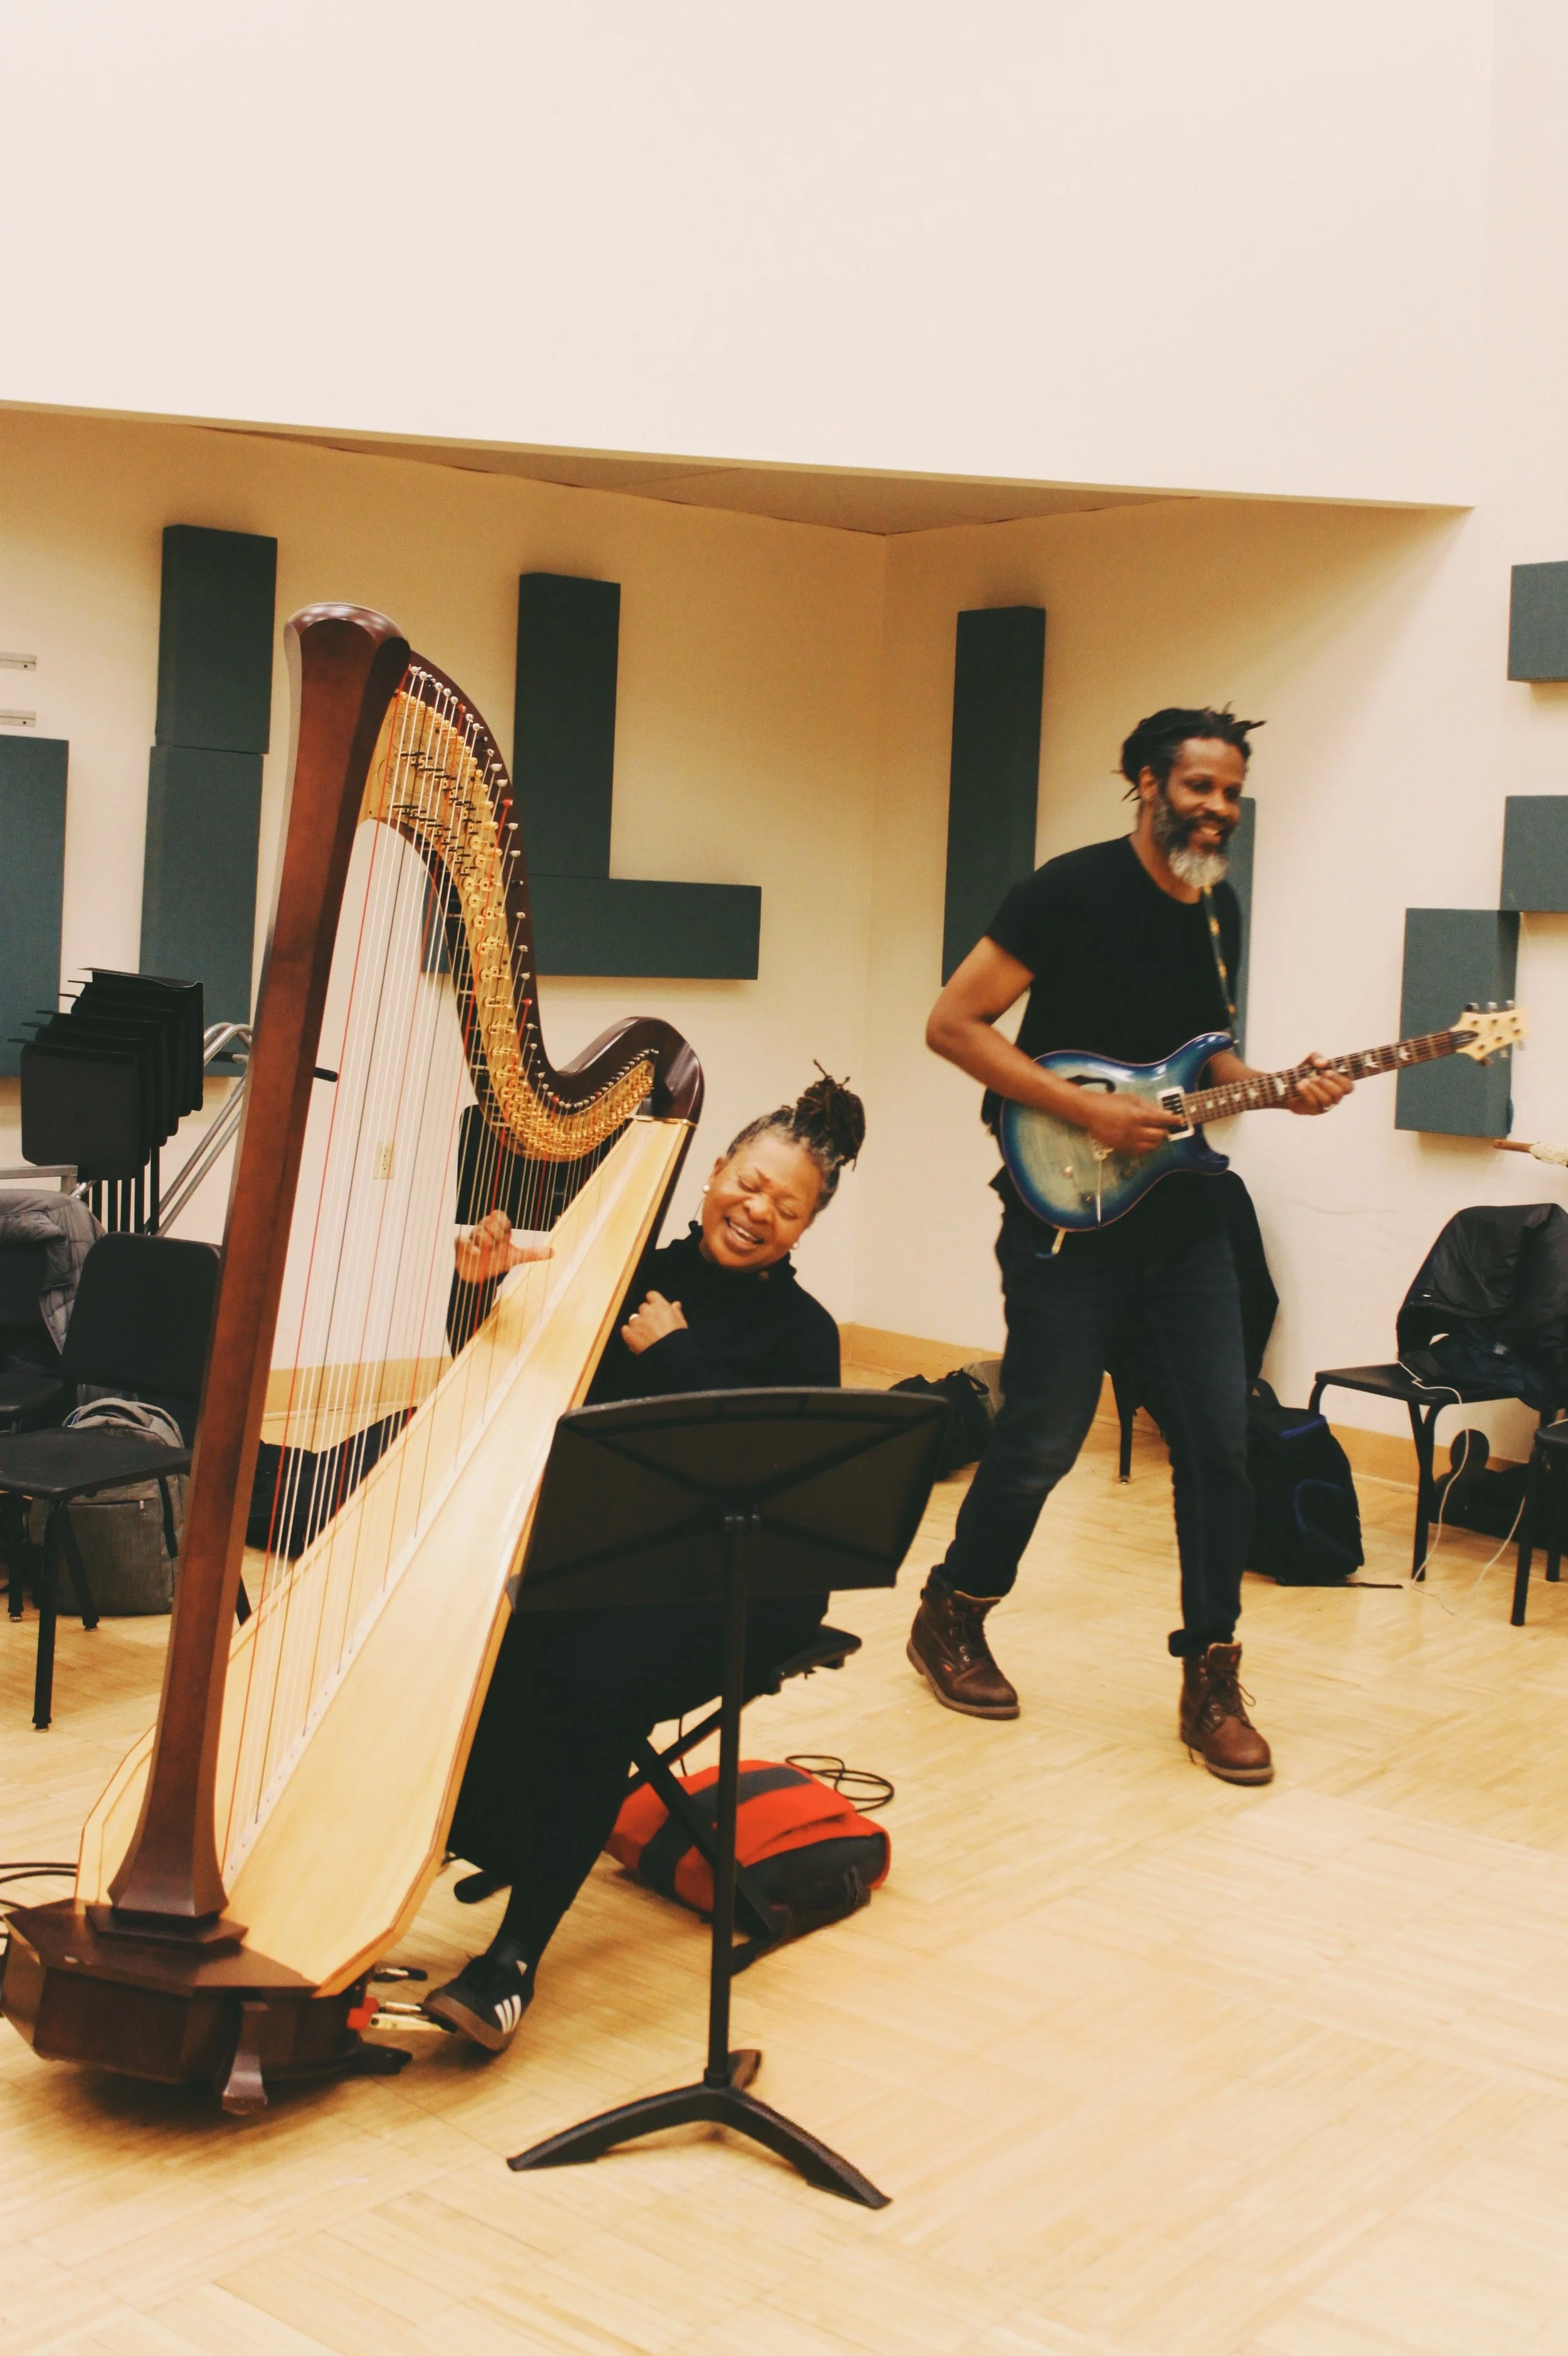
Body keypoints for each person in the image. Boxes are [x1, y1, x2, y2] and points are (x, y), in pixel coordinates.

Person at [908, 707, 1350, 1781]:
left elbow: (1207, 1063)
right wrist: (1090, 1112)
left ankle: (1211, 1675)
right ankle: (954, 1613)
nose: (1218, 809)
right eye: (1200, 786)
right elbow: (953, 1026)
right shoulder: (1065, 890)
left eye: (1232, 792)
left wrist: (1281, 1091)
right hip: (1062, 1213)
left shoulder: (1216, 906)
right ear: (1145, 784)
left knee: (1219, 1443)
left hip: (1185, 1222)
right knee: (1045, 1437)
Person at [426, 1071, 866, 2051]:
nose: (757, 1212)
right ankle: (490, 1836)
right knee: (487, 1627)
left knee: (594, 1674)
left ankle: (511, 1964)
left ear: (805, 1228)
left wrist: (675, 1357)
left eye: (785, 1207)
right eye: (748, 1184)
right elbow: (510, 1362)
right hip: (608, 1559)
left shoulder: (805, 1335)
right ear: (711, 1171)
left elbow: (760, 1484)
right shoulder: (628, 1266)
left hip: (738, 1582)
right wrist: (478, 1290)